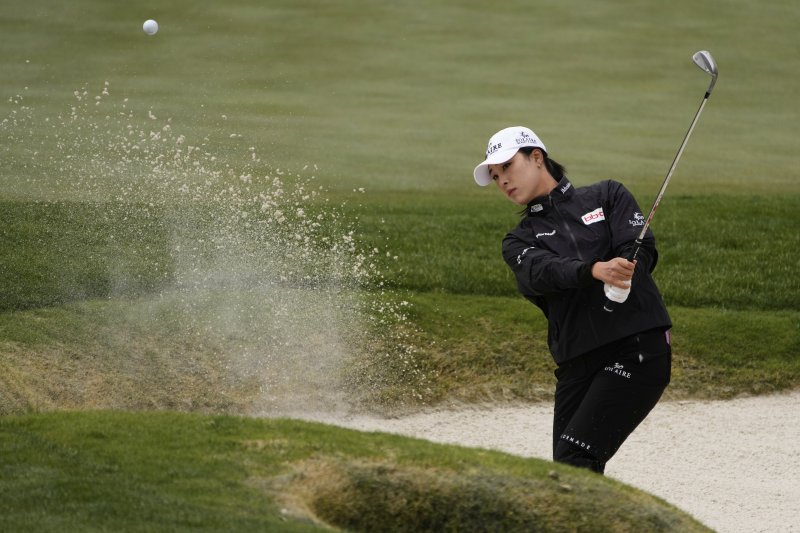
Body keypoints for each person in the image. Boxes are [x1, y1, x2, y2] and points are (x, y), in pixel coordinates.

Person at [473, 126, 672, 474]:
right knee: (568, 473)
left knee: (576, 460)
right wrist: (593, 270)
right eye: (494, 175)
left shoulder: (607, 195)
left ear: (537, 157)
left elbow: (639, 246)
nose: (502, 180)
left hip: (636, 347)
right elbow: (544, 271)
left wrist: (628, 266)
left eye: (507, 167)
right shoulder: (518, 242)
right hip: (577, 364)